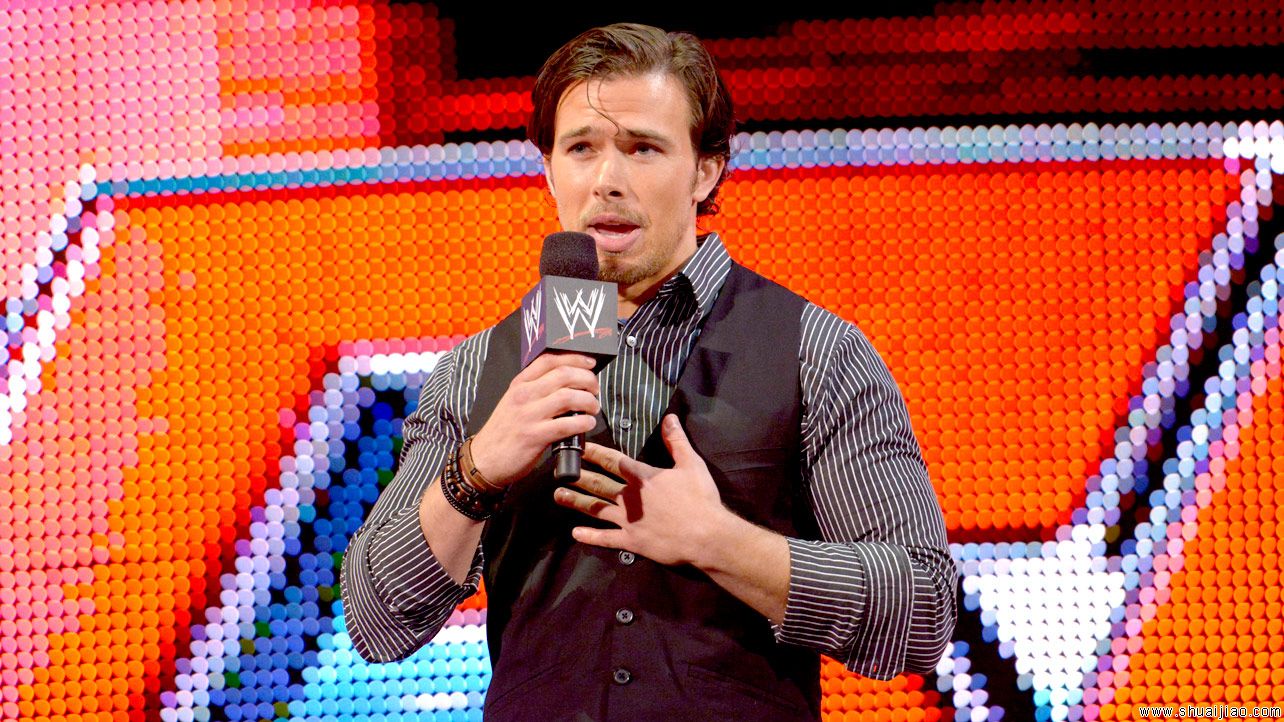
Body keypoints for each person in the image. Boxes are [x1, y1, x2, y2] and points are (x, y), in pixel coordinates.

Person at [341, 22, 956, 721]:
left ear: (705, 170)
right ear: (549, 169)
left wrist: (717, 542)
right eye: (581, 149)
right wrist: (475, 472)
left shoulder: (815, 351)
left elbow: (922, 611)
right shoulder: (477, 370)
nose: (607, 180)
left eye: (643, 148)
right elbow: (377, 621)